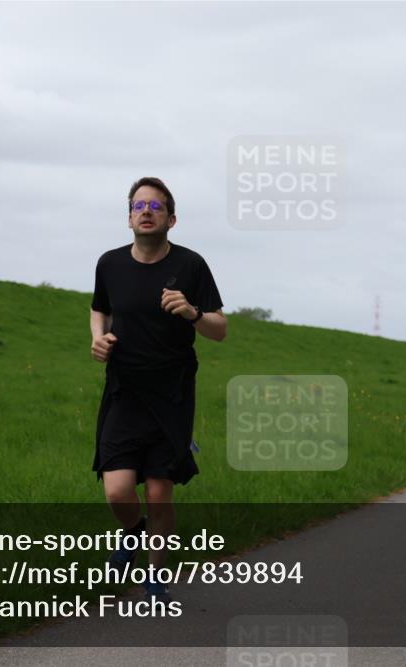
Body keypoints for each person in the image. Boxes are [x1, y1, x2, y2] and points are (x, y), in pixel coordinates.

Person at [90, 176, 227, 603]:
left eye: (155, 206)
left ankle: (155, 576)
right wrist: (98, 338)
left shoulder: (191, 265)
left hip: (172, 394)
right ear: (129, 217)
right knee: (116, 488)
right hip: (124, 390)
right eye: (138, 206)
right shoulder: (110, 263)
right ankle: (132, 534)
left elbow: (219, 330)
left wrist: (191, 312)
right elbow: (100, 310)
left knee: (158, 490)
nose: (145, 211)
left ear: (171, 218)